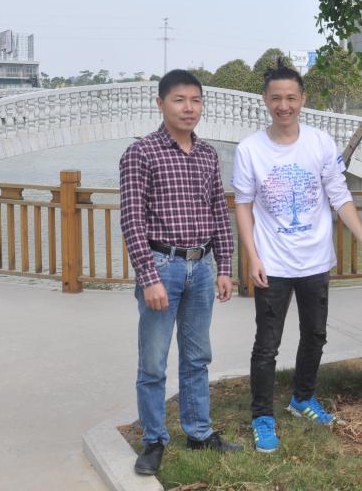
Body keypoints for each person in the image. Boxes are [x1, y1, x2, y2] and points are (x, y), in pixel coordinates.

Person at [233, 60, 362, 454]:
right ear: (264, 100)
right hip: (273, 263)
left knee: (315, 335)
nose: (283, 106)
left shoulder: (320, 143)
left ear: (303, 99)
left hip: (315, 261)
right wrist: (252, 257)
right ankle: (262, 416)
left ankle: (302, 398)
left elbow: (339, 194)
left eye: (291, 98)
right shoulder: (250, 150)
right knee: (267, 344)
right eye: (276, 98)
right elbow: (243, 206)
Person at [119, 69, 243, 476]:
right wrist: (148, 277)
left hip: (202, 267)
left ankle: (199, 431)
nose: (189, 108)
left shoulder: (207, 155)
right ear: (160, 104)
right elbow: (132, 220)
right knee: (153, 362)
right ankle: (154, 440)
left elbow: (218, 213)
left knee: (197, 356)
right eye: (179, 100)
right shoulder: (141, 153)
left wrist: (224, 268)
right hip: (163, 265)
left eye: (196, 100)